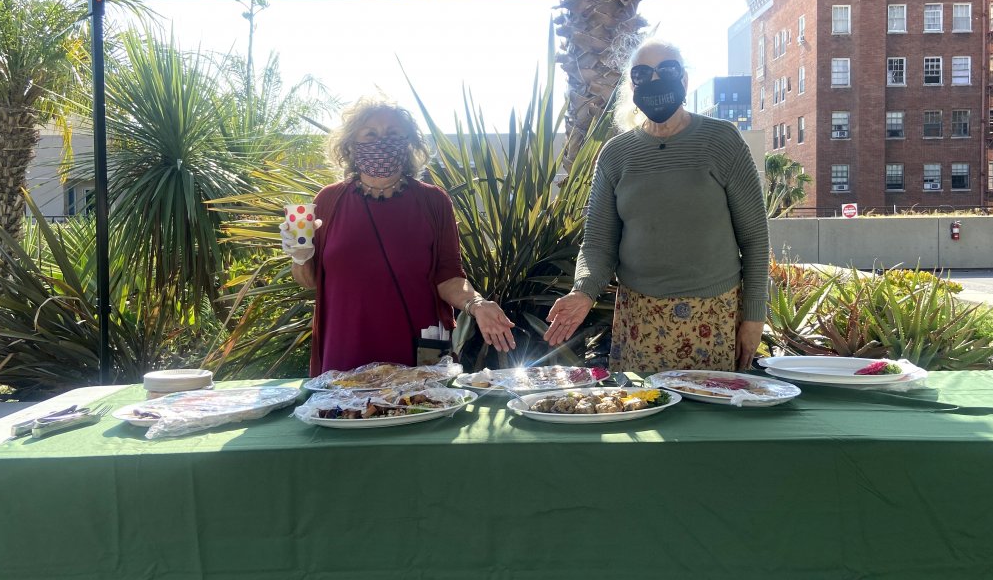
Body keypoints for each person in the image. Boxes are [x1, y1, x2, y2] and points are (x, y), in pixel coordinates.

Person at [544, 39, 770, 372]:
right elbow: (597, 242)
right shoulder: (616, 154)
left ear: (685, 80)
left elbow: (755, 237)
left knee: (713, 416)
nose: (655, 81)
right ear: (631, 86)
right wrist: (583, 292)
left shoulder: (722, 140)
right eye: (642, 74)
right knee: (646, 410)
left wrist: (753, 317)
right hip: (641, 316)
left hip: (716, 312)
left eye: (667, 70)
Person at [281, 97, 514, 373]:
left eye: (393, 134)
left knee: (419, 411)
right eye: (371, 134)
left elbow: (449, 276)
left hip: (417, 355)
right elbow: (309, 280)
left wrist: (477, 304)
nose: (382, 141)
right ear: (351, 145)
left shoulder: (433, 202)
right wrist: (300, 256)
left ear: (408, 142)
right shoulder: (330, 200)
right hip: (346, 352)